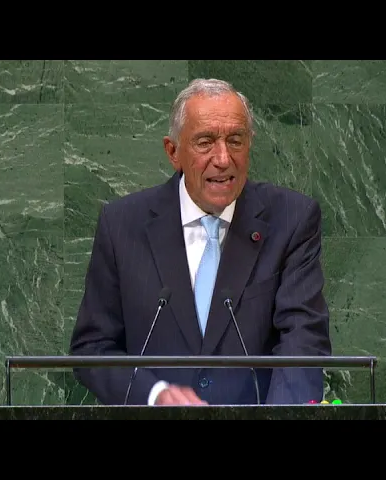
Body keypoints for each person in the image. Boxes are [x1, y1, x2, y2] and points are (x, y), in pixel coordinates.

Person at [69, 78, 332, 406]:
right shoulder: (122, 224)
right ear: (173, 152)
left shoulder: (291, 220)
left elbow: (303, 341)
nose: (223, 158)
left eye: (235, 141)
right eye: (205, 142)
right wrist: (153, 395)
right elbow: (93, 348)